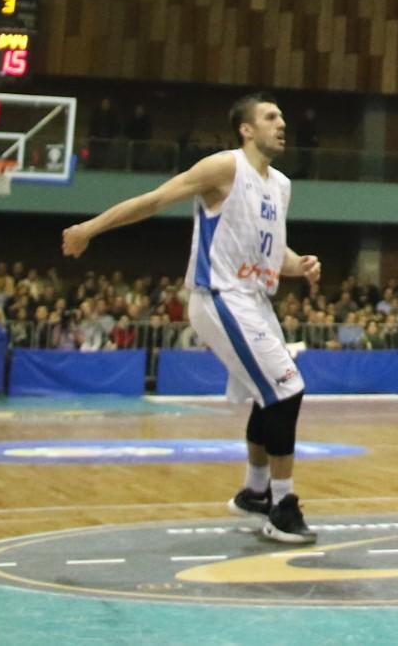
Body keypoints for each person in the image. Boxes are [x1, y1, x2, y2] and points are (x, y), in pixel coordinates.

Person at [61, 94, 322, 544]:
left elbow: (273, 251)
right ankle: (282, 505)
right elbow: (156, 199)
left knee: (269, 395)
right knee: (286, 390)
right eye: (271, 116)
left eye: (282, 116)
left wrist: (300, 265)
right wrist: (90, 229)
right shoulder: (224, 167)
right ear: (246, 129)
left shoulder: (280, 184)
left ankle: (255, 493)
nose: (282, 123)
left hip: (255, 300)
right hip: (218, 297)